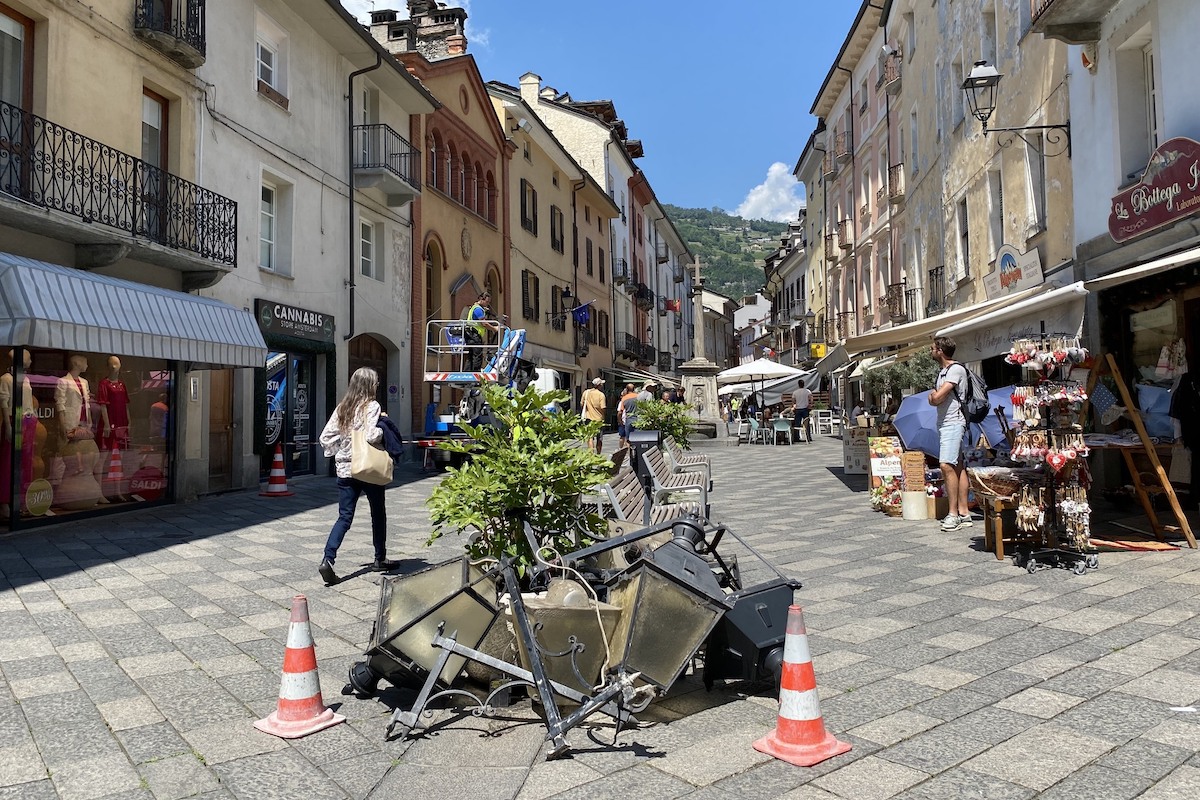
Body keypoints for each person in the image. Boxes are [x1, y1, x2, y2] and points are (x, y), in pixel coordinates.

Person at [317, 367, 398, 585]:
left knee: (344, 517)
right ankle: (379, 558)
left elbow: (325, 437)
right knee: (378, 514)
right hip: (367, 468)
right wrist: (383, 426)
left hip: (345, 470)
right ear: (370, 385)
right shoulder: (371, 406)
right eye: (376, 383)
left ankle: (328, 559)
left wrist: (342, 448)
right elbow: (372, 436)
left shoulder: (342, 407)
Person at [928, 336, 972, 532]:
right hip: (946, 422)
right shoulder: (943, 371)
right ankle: (964, 513)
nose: (930, 352)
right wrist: (934, 397)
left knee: (946, 465)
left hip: (953, 422)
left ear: (940, 350)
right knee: (957, 466)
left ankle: (952, 514)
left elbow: (937, 397)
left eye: (932, 348)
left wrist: (934, 396)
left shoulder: (955, 369)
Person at [96, 356, 130, 452]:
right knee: (108, 446)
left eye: (116, 364)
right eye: (112, 364)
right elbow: (103, 405)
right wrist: (106, 424)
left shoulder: (122, 384)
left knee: (123, 446)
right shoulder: (104, 384)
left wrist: (129, 421)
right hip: (110, 418)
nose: (114, 367)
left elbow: (126, 403)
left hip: (122, 419)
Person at [463, 291, 501, 371]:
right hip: (474, 335)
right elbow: (484, 323)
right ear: (481, 299)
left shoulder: (475, 307)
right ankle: (475, 376)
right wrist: (494, 328)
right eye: (487, 302)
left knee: (471, 356)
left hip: (470, 334)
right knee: (477, 356)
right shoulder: (478, 309)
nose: (487, 304)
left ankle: (467, 376)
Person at [580, 377, 607, 454]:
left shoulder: (586, 392)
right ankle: (598, 454)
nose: (602, 385)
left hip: (588, 418)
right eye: (601, 384)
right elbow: (603, 408)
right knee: (599, 438)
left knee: (590, 437)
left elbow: (581, 404)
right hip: (598, 419)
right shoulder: (601, 395)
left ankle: (591, 454)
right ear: (599, 385)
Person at [617, 383, 638, 448]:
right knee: (637, 438)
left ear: (627, 389)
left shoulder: (624, 399)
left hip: (628, 420)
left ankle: (630, 454)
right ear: (634, 389)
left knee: (628, 439)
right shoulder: (638, 396)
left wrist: (620, 421)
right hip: (638, 419)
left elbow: (620, 412)